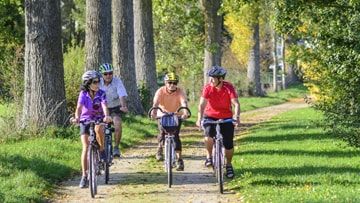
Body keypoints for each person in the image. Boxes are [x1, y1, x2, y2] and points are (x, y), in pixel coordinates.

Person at [196, 66, 240, 179]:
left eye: (213, 78)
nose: (211, 80)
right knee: (208, 136)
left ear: (220, 79)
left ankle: (229, 165)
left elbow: (236, 103)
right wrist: (199, 118)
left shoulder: (228, 87)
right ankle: (209, 156)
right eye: (210, 78)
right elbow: (201, 104)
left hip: (226, 117)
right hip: (210, 116)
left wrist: (236, 116)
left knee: (228, 143)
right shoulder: (208, 88)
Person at [72, 70, 112, 188]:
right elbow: (79, 108)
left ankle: (101, 150)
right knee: (85, 147)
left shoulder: (101, 93)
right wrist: (77, 118)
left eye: (99, 81)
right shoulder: (83, 94)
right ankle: (84, 176)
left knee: (99, 129)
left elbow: (104, 105)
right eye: (95, 82)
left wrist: (107, 116)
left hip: (99, 119)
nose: (98, 83)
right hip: (85, 120)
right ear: (88, 83)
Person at [151, 72, 189, 171]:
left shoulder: (180, 91)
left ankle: (179, 159)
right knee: (162, 132)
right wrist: (154, 112)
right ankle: (159, 148)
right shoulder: (160, 91)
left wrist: (185, 112)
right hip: (162, 114)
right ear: (165, 83)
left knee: (176, 136)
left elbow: (183, 102)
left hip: (176, 115)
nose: (172, 85)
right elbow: (156, 103)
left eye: (174, 83)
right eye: (170, 82)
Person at [99, 63, 129, 158]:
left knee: (117, 124)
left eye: (110, 73)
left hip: (115, 107)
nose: (108, 76)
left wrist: (123, 106)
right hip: (101, 108)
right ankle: (101, 148)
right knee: (100, 128)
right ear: (102, 74)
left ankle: (116, 147)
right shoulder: (98, 82)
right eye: (105, 74)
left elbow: (121, 94)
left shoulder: (117, 81)